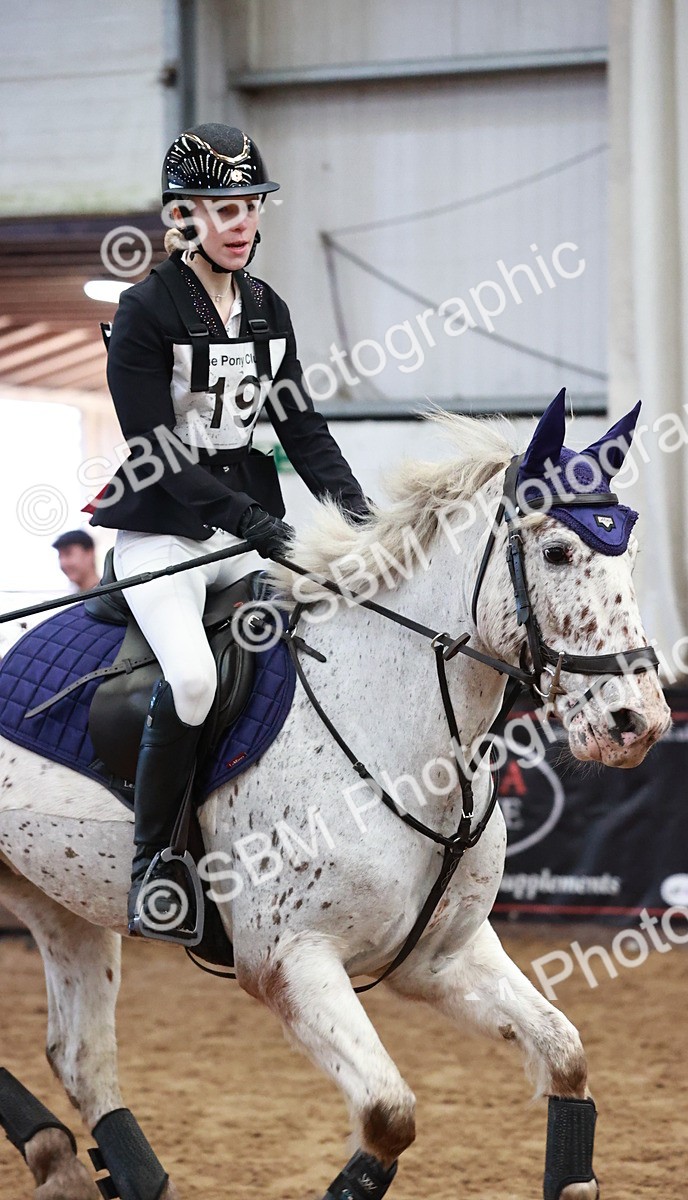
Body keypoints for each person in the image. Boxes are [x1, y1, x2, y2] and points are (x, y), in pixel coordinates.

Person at [87, 122, 369, 939]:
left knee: (320, 649)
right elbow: (159, 450)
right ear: (183, 219)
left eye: (249, 205)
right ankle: (154, 866)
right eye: (222, 208)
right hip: (167, 535)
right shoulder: (144, 311)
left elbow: (301, 425)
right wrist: (252, 521)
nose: (241, 222)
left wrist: (360, 519)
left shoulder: (268, 309)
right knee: (199, 681)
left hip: (245, 533)